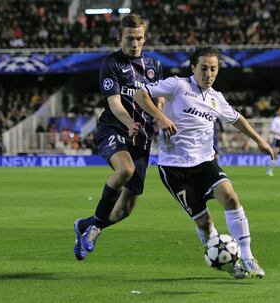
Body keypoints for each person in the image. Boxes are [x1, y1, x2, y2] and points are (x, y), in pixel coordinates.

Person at [134, 46, 275, 279]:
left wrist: (260, 140)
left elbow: (236, 119)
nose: (208, 74)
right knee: (204, 221)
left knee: (230, 197)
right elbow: (140, 94)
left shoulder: (215, 98)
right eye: (203, 68)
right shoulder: (177, 85)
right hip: (173, 167)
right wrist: (161, 117)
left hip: (205, 163)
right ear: (193, 68)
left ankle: (248, 257)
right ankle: (230, 263)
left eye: (213, 69)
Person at [73, 14, 163, 261]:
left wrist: (162, 117)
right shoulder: (111, 64)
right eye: (130, 38)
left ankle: (87, 225)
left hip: (142, 138)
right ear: (119, 38)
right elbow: (114, 102)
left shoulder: (154, 66)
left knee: (124, 210)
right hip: (114, 129)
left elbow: (160, 98)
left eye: (140, 38)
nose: (135, 44)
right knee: (125, 170)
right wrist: (129, 122)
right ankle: (94, 229)